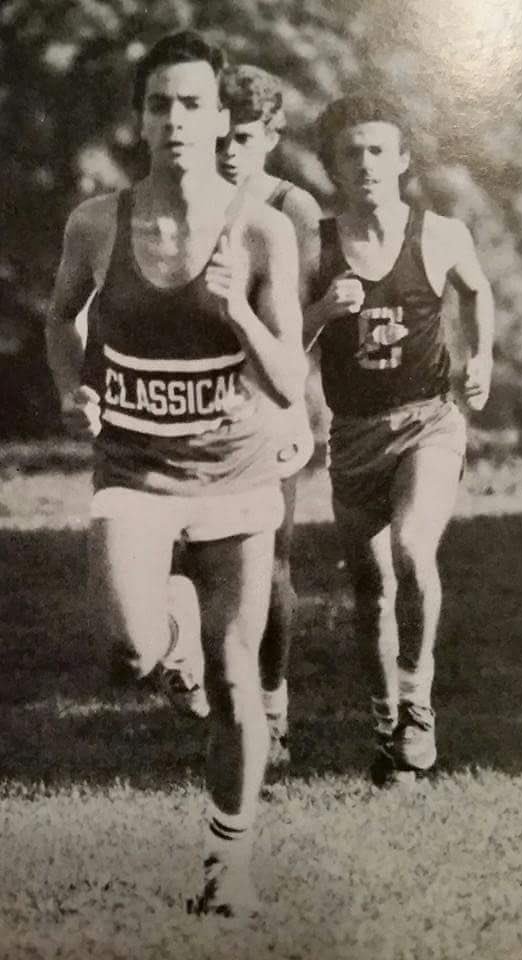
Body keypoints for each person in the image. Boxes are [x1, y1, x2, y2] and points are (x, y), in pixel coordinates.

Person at [47, 30, 307, 917]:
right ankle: (171, 635)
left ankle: (227, 868)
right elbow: (60, 318)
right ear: (140, 119)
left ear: (222, 115)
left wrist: (237, 309)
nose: (176, 119)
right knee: (130, 651)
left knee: (237, 680)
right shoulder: (97, 223)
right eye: (159, 103)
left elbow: (288, 381)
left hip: (235, 472)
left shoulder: (263, 228)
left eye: (193, 103)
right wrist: (71, 388)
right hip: (135, 468)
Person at [304, 92, 494, 787]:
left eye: (378, 150)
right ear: (332, 166)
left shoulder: (440, 235)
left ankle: (418, 706)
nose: (365, 164)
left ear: (403, 159)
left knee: (413, 550)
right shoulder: (315, 246)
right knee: (371, 588)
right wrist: (321, 311)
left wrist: (482, 357)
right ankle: (388, 730)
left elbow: (476, 291)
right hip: (352, 436)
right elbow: (280, 342)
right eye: (350, 153)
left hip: (428, 422)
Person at [163, 64, 321, 767]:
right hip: (190, 403)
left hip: (269, 404)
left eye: (245, 138)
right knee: (179, 554)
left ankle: (273, 709)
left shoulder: (291, 208)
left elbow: (297, 326)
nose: (229, 151)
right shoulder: (179, 198)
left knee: (269, 563)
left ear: (272, 136)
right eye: (219, 136)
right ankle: (195, 666)